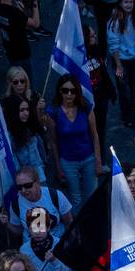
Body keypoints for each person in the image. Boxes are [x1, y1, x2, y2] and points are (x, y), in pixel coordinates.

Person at [45, 77, 103, 209]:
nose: (69, 94)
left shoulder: (86, 107)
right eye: (65, 90)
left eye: (73, 90)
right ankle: (78, 228)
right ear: (60, 91)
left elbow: (95, 135)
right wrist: (58, 167)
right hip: (68, 162)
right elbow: (53, 142)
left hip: (88, 159)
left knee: (92, 196)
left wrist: (98, 160)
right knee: (75, 199)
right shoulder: (53, 112)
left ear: (77, 92)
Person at [0, 0, 41, 72]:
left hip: (10, 51)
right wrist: (35, 2)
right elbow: (36, 24)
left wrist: (2, 42)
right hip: (21, 55)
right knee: (25, 82)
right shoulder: (14, 13)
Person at [108, 0, 135, 126]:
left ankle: (134, 116)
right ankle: (126, 117)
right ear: (120, 3)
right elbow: (113, 44)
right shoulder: (115, 20)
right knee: (124, 91)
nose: (129, 5)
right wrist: (118, 65)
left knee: (134, 89)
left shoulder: (134, 18)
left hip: (133, 58)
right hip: (120, 60)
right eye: (126, 2)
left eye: (131, 2)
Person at [3, 93, 49, 183]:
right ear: (14, 111)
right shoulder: (10, 135)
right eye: (22, 110)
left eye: (27, 109)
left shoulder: (30, 126)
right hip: (25, 181)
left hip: (40, 174)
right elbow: (14, 164)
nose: (26, 113)